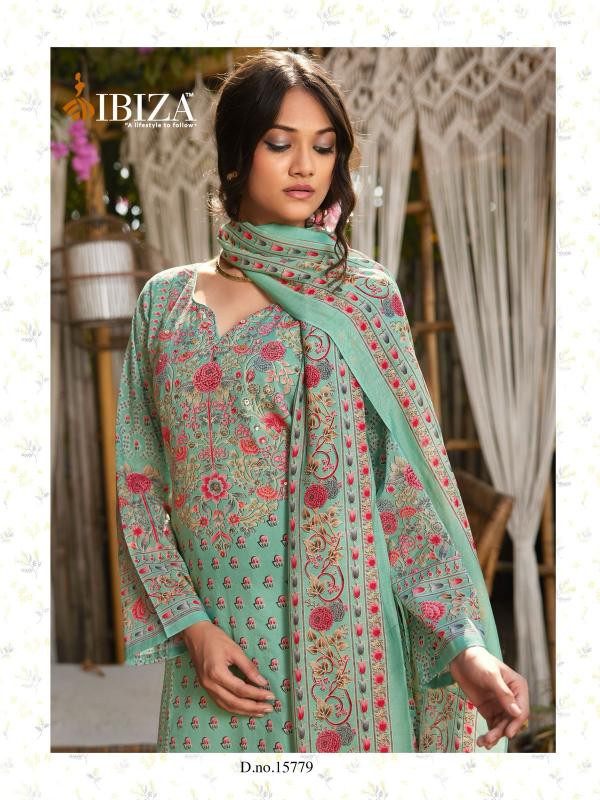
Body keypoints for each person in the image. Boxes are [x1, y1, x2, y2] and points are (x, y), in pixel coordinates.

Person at [115, 49, 529, 754]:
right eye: (281, 144)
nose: (306, 166)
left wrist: (463, 645)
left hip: (346, 650)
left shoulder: (361, 296)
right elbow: (139, 484)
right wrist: (191, 625)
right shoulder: (165, 302)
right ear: (237, 155)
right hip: (210, 657)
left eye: (324, 146)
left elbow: (402, 490)